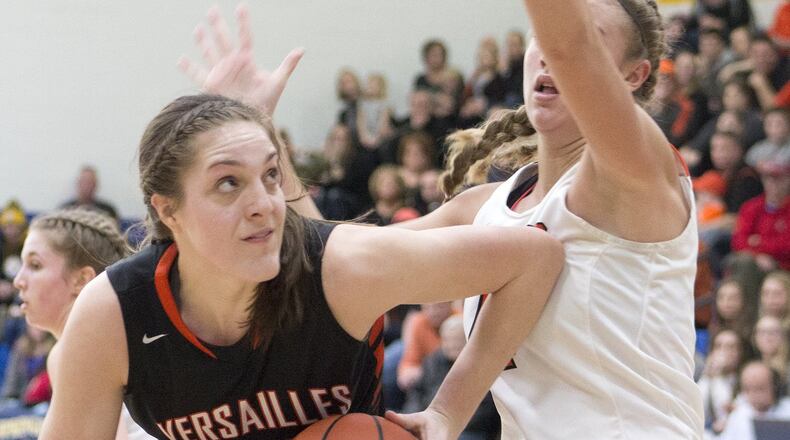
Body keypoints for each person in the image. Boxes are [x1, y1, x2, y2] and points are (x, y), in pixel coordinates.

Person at [179, 2, 700, 438]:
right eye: (539, 39)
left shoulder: (639, 172)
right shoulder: (486, 208)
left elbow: (568, 46)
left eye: (590, 37)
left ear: (634, 76)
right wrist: (258, 126)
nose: (550, 54)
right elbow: (329, 257)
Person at [41, 22, 564, 437]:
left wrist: (448, 412)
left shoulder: (342, 267)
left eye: (271, 175)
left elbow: (533, 260)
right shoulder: (115, 312)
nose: (262, 205)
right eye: (228, 183)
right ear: (168, 210)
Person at [12, 208, 154, 439]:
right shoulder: (114, 337)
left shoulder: (76, 349)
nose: (19, 281)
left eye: (35, 265)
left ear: (81, 280)